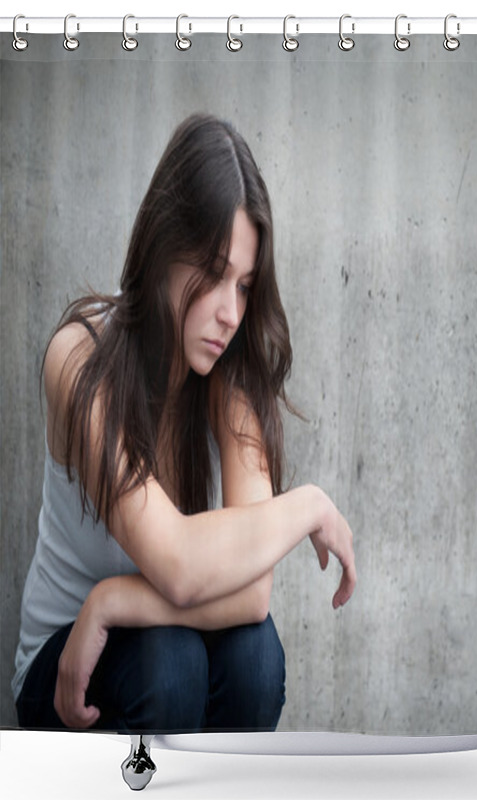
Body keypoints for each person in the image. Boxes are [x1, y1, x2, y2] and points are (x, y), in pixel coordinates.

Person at [11, 113, 356, 733]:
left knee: (255, 656)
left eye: (245, 286)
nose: (230, 313)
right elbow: (177, 564)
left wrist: (112, 602)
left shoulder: (231, 376)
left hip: (139, 636)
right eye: (214, 273)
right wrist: (308, 506)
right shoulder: (79, 359)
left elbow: (252, 597)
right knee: (169, 664)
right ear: (165, 247)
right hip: (65, 671)